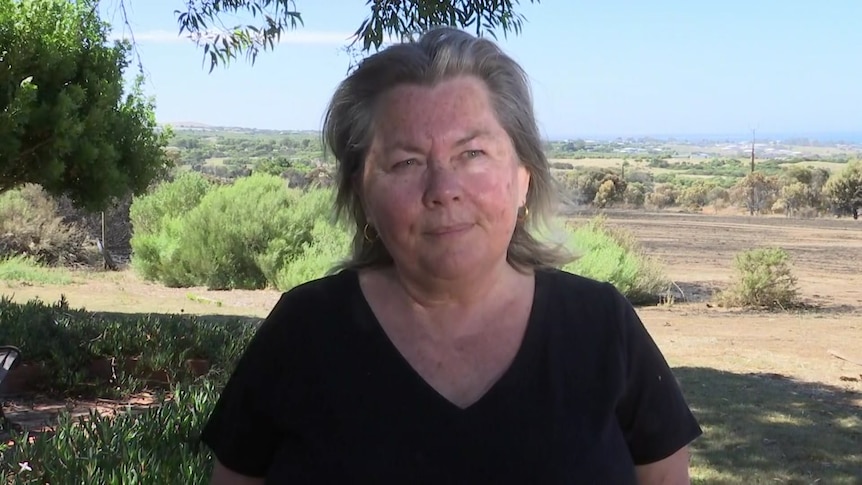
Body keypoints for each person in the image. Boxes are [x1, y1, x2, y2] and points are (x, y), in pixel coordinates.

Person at [201, 27, 702, 484]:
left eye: (472, 154)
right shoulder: (303, 332)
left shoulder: (602, 328)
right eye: (406, 161)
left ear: (523, 178)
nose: (443, 189)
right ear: (363, 196)